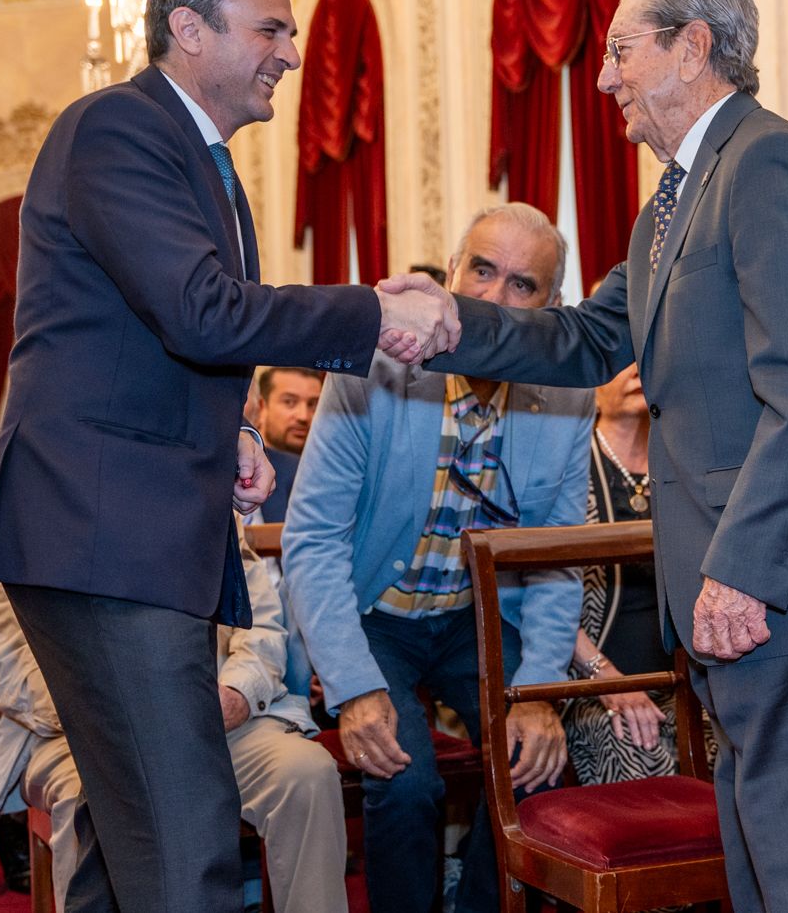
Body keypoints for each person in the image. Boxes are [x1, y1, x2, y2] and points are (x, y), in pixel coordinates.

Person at [388, 0, 788, 913]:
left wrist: (743, 567)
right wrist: (455, 324)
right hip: (737, 587)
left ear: (694, 47)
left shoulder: (765, 163)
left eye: (622, 51)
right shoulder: (670, 203)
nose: (603, 78)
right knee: (764, 867)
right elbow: (589, 338)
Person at [0, 0, 458, 913]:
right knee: (187, 838)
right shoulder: (120, 128)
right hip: (101, 532)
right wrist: (373, 312)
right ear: (188, 28)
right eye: (270, 26)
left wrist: (223, 424)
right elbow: (201, 308)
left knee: (131, 832)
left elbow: (142, 329)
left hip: (127, 531)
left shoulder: (200, 158)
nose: (289, 50)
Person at [283, 202, 589, 913]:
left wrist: (539, 694)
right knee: (406, 777)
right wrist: (354, 685)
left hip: (469, 618)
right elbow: (312, 538)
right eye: (481, 271)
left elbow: (554, 559)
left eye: (523, 285)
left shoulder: (567, 397)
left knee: (537, 764)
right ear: (449, 276)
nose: (493, 298)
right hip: (371, 617)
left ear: (551, 306)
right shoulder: (377, 369)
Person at [0, 526, 347, 913]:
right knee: (88, 802)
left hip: (213, 719)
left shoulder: (199, 501)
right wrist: (119, 711)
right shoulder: (27, 527)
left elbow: (260, 625)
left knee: (306, 773)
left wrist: (238, 692)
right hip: (82, 732)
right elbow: (9, 672)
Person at [565, 362, 678, 785]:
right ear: (589, 390)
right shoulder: (567, 471)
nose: (637, 371)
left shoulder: (684, 466)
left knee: (741, 750)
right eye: (618, 363)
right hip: (588, 681)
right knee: (638, 752)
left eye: (647, 358)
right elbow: (536, 594)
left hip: (690, 677)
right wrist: (603, 676)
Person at [252, 366, 323, 523]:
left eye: (313, 404)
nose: (303, 416)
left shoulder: (330, 472)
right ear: (261, 408)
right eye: (289, 402)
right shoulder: (244, 471)